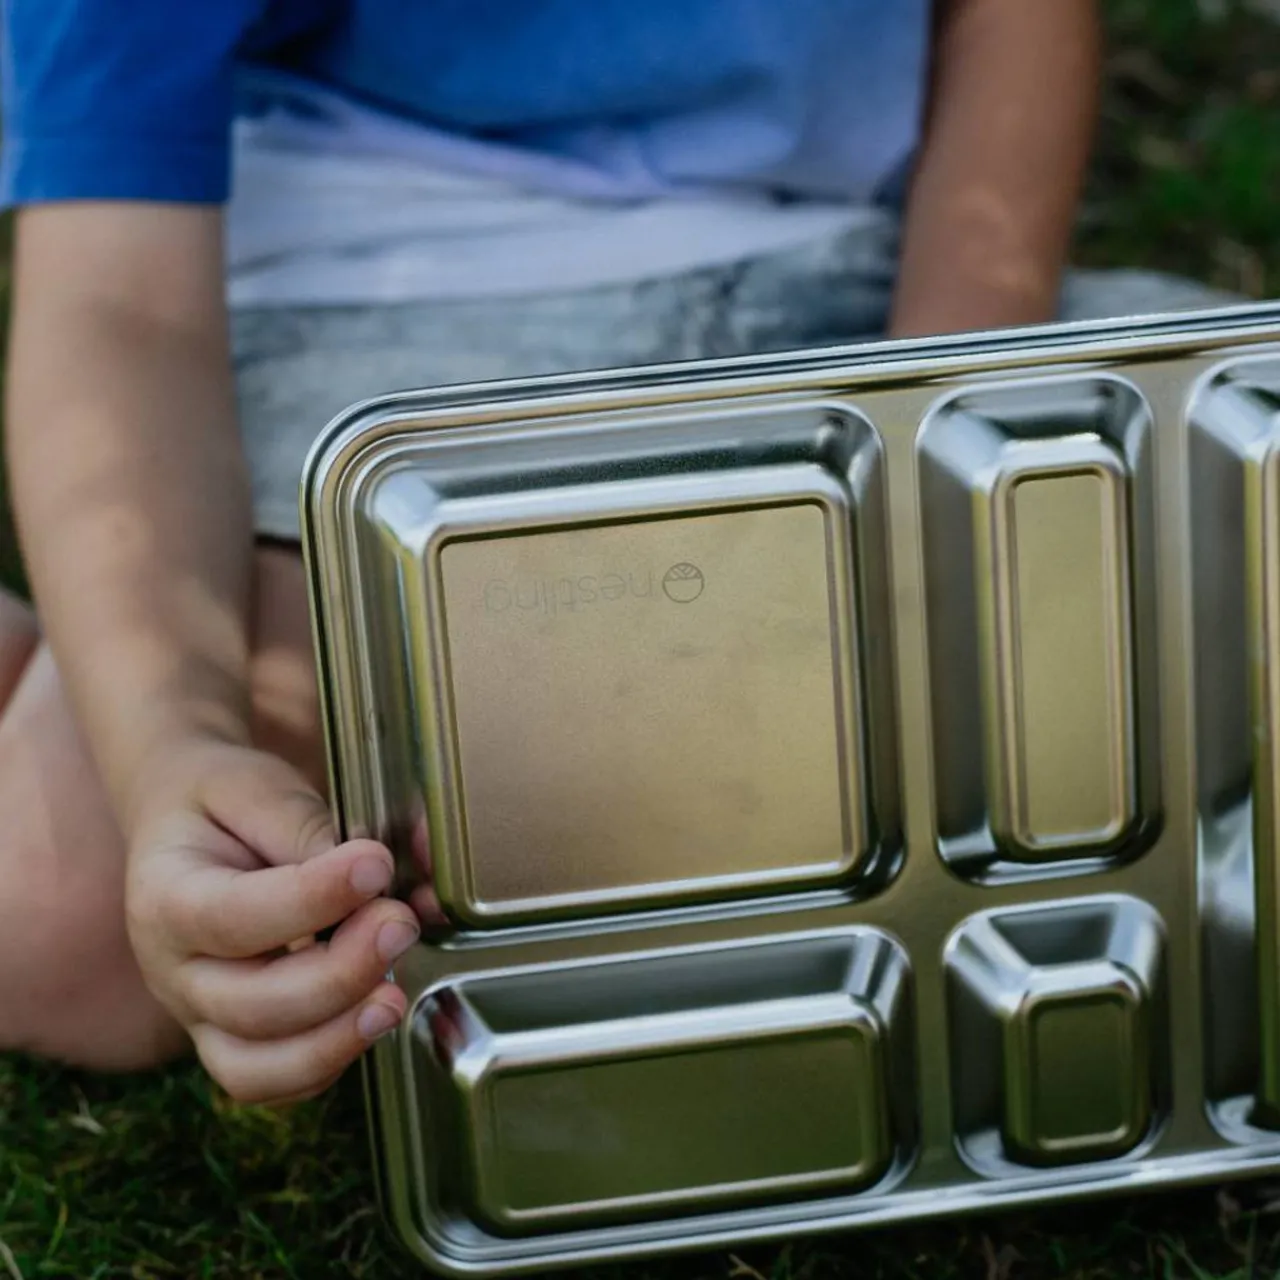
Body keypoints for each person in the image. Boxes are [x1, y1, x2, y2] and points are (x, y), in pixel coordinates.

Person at [0, 0, 1234, 1105]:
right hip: (385, 310)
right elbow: (119, 305)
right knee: (67, 915)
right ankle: (111, 649)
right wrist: (173, 737)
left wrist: (936, 445)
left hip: (858, 284)